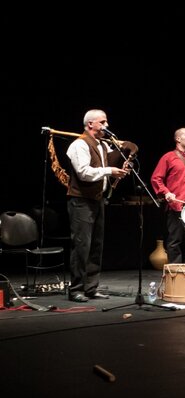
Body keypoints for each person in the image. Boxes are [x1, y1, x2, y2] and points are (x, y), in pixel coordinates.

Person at [66, 109, 137, 302]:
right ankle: (76, 289)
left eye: (106, 122)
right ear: (90, 124)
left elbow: (117, 157)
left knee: (96, 245)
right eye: (102, 122)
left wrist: (124, 160)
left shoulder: (101, 145)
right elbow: (83, 172)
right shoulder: (79, 144)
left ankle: (91, 287)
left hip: (97, 200)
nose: (106, 126)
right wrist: (109, 170)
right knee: (82, 245)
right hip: (81, 200)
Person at [150, 128, 185, 264]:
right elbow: (156, 178)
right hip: (176, 205)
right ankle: (175, 274)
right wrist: (166, 192)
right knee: (174, 241)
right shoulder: (168, 157)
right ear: (178, 139)